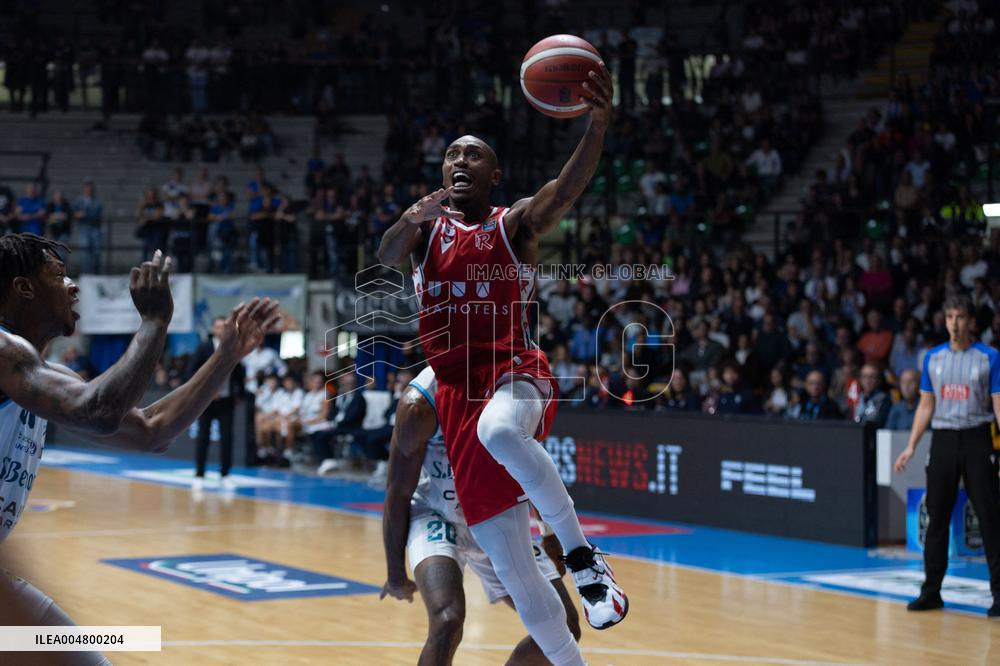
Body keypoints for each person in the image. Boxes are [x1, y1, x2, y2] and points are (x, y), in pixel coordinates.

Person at [378, 61, 622, 666]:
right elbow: (382, 259)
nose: (460, 161)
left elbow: (565, 191)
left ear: (494, 175)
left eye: (474, 155)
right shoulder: (424, 232)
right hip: (459, 399)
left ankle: (584, 555)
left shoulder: (511, 225)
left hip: (515, 374)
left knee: (500, 429)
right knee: (517, 573)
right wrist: (410, 221)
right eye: (452, 154)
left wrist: (596, 125)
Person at [0, 235, 280, 658]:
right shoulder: (4, 352)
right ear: (23, 288)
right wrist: (153, 322)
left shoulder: (43, 375)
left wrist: (225, 357)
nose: (73, 285)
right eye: (59, 276)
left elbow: (153, 430)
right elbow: (99, 410)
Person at [381, 366, 580, 664]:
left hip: (495, 514)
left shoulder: (514, 383)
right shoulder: (419, 403)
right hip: (438, 513)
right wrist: (395, 573)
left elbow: (531, 464)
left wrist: (548, 530)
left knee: (563, 627)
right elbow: (398, 492)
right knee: (447, 619)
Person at [895, 295, 1000, 618]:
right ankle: (931, 592)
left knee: (990, 517)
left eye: (960, 316)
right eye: (950, 316)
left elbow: (998, 403)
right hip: (942, 439)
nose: (954, 323)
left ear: (972, 322)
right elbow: (926, 404)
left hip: (977, 437)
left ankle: (999, 594)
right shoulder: (933, 358)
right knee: (937, 516)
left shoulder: (989, 357)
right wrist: (912, 445)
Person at [186, 316, 246, 491]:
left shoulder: (232, 348)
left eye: (224, 327)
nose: (221, 329)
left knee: (227, 438)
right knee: (203, 437)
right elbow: (191, 371)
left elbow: (238, 372)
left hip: (226, 400)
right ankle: (199, 474)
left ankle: (225, 474)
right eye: (218, 326)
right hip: (205, 401)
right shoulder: (204, 348)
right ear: (213, 329)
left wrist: (240, 393)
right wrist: (203, 392)